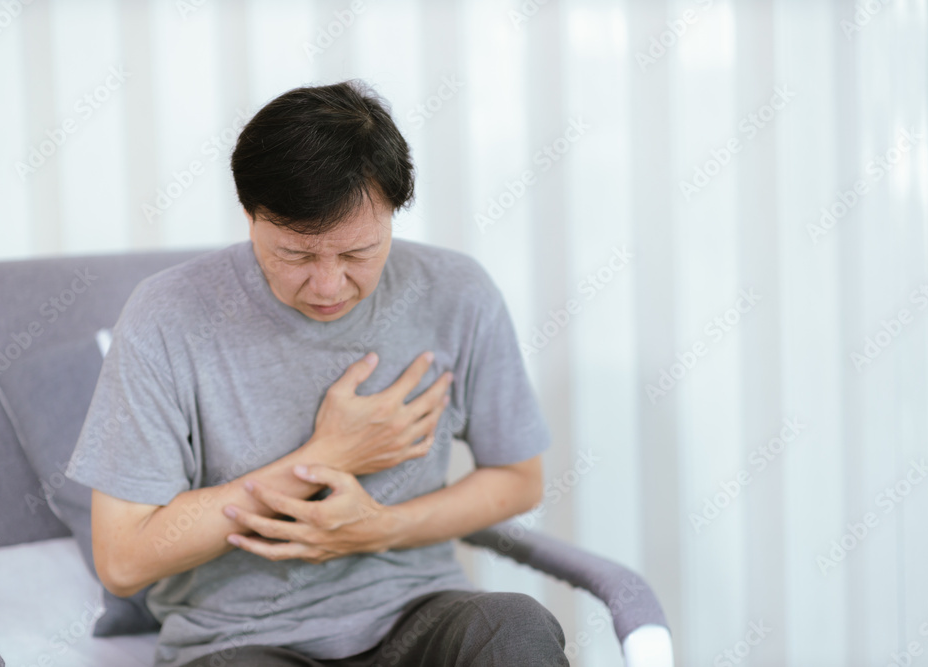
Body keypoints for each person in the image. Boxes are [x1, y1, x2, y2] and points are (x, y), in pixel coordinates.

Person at [66, 80, 569, 667]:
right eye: (297, 255)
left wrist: (379, 528)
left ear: (393, 215)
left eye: (358, 253)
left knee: (514, 626)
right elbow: (123, 561)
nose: (329, 286)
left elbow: (519, 479)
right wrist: (331, 454)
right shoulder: (168, 315)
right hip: (243, 639)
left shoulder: (457, 293)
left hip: (415, 614)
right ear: (251, 216)